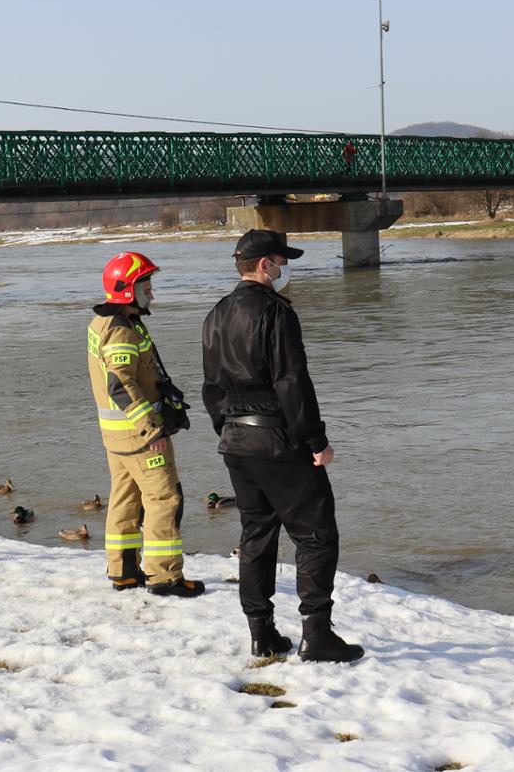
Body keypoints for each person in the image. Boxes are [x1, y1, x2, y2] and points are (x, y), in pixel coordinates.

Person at [201, 230, 365, 662]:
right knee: (316, 535)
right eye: (280, 260)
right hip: (276, 438)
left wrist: (228, 427)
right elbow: (292, 381)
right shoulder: (276, 312)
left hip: (235, 440)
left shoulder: (215, 314)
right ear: (262, 265)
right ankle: (317, 634)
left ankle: (263, 633)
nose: (283, 268)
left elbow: (211, 387)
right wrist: (316, 440)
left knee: (256, 534)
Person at [87, 252, 203, 597]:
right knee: (164, 498)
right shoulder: (121, 331)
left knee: (124, 498)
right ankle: (164, 576)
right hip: (139, 436)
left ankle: (123, 571)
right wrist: (152, 430)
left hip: (116, 436)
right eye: (146, 285)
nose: (152, 293)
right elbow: (120, 384)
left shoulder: (103, 323)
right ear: (127, 289)